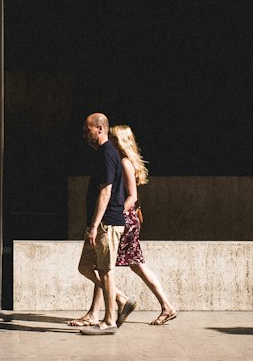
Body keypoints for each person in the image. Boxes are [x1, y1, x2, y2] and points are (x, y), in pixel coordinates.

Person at [70, 112, 137, 333]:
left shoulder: (108, 153)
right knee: (85, 267)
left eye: (87, 128)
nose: (84, 133)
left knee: (106, 271)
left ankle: (109, 322)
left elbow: (106, 192)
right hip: (101, 223)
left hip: (107, 223)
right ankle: (120, 298)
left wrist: (94, 225)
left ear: (100, 128)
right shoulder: (102, 153)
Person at [110, 124, 177, 325]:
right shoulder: (124, 161)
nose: (109, 143)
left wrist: (117, 213)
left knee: (104, 266)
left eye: (113, 139)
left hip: (125, 221)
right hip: (129, 220)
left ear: (119, 141)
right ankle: (167, 306)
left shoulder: (124, 163)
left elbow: (132, 196)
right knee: (137, 266)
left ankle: (107, 309)